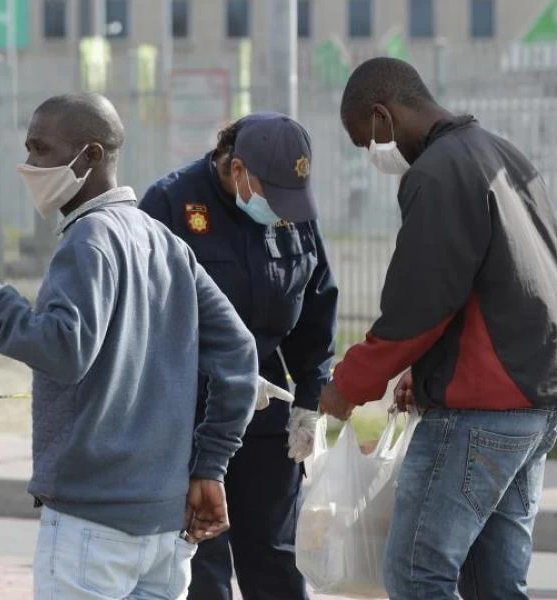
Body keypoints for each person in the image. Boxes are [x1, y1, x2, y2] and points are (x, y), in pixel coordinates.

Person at [0, 92, 261, 600]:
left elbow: (63, 350)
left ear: (91, 155)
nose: (29, 164)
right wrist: (210, 465)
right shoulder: (165, 242)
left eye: (41, 149)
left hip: (93, 528)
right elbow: (240, 354)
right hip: (164, 531)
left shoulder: (88, 239)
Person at [320, 57, 557, 600]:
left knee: (417, 575)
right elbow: (497, 281)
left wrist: (347, 386)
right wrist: (428, 370)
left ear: (382, 117)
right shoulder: (500, 152)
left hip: (480, 413)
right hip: (535, 399)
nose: (371, 154)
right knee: (493, 584)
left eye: (365, 141)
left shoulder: (438, 173)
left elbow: (418, 306)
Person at [140, 112, 337, 600]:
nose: (282, 208)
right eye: (274, 193)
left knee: (276, 561)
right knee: (201, 565)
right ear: (237, 169)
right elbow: (144, 322)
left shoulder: (292, 212)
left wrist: (309, 402)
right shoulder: (169, 203)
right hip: (190, 417)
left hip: (265, 411)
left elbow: (316, 309)